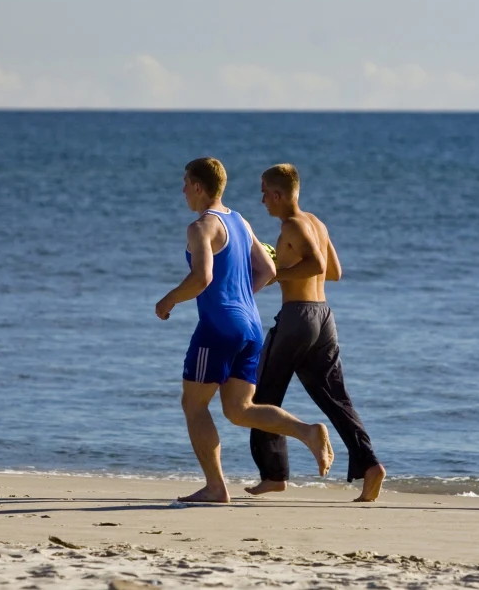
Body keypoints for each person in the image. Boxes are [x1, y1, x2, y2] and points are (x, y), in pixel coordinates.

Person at [156, 157, 334, 503]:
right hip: (250, 324)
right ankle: (308, 431)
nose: (182, 191)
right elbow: (268, 269)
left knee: (193, 405)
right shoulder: (239, 221)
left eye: (184, 184)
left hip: (218, 328)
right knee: (239, 410)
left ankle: (215, 487)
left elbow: (202, 278)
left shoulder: (201, 227)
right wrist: (240, 295)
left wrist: (168, 301)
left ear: (197, 187)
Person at [245, 163, 385, 502]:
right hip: (323, 317)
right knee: (335, 398)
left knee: (262, 395)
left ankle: (274, 475)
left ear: (279, 195)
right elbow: (335, 272)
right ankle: (369, 466)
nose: (262, 199)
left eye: (265, 192)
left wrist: (277, 272)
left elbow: (319, 267)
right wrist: (292, 265)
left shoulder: (292, 224)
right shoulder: (315, 222)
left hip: (297, 317)